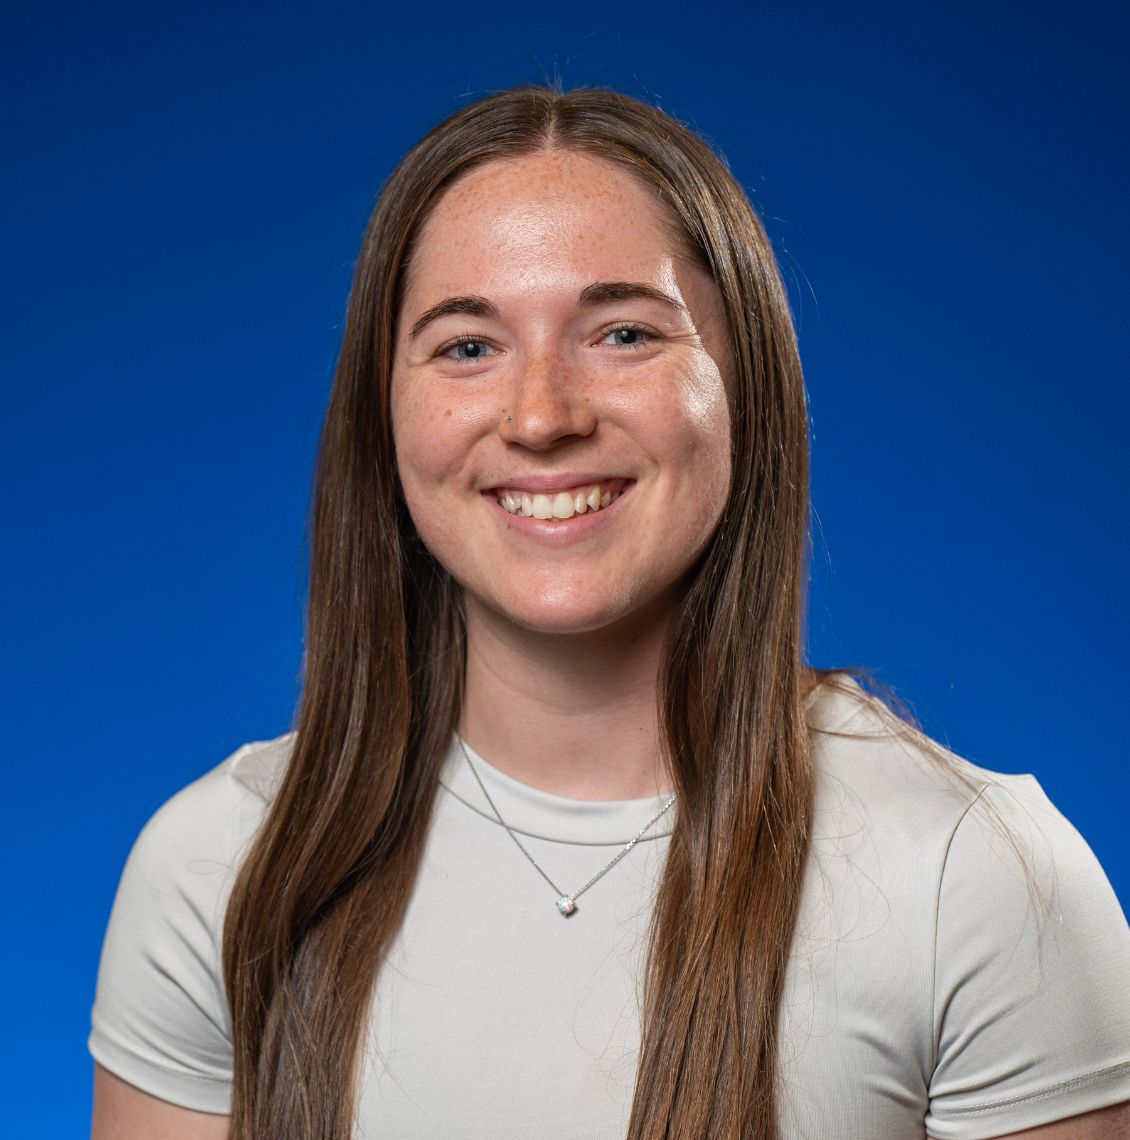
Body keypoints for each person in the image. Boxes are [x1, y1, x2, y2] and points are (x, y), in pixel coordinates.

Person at [88, 85, 1130, 1140]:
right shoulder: (220, 868)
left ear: (743, 384)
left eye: (622, 333)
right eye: (466, 346)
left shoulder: (982, 883)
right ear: (384, 412)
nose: (542, 416)